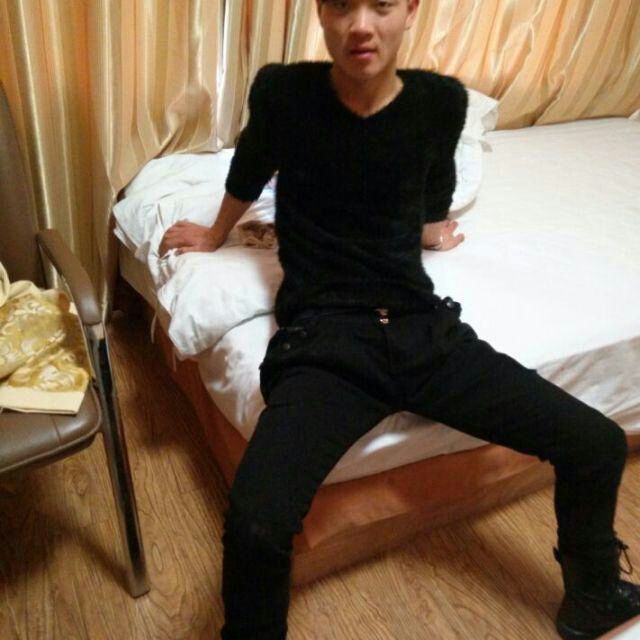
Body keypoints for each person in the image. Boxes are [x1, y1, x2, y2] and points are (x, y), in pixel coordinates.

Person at [159, 1, 640, 638]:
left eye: (382, 4)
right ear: (322, 12)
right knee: (255, 520)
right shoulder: (284, 94)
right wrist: (215, 233)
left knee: (598, 443)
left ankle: (593, 595)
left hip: (422, 331)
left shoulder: (439, 103)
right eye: (342, 4)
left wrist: (432, 234)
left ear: (410, 10)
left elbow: (431, 199)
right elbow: (248, 171)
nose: (361, 24)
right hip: (326, 341)